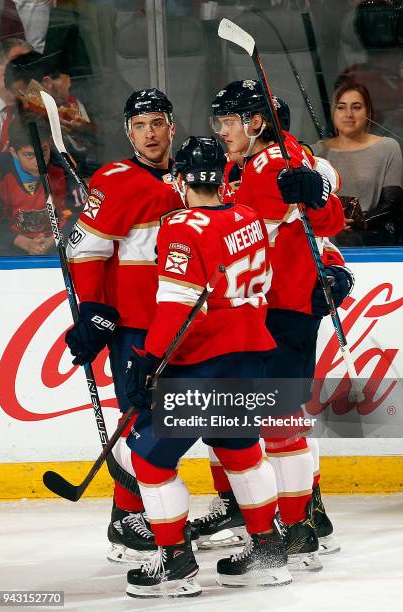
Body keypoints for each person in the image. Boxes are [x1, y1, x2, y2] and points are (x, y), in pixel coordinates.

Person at [123, 136, 292, 597]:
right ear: (223, 175)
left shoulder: (181, 225)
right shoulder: (250, 217)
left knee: (149, 459)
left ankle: (175, 564)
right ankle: (268, 553)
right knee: (239, 449)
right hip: (253, 354)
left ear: (180, 178)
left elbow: (177, 303)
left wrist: (149, 359)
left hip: (203, 363)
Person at [191, 80, 348, 570]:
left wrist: (319, 187)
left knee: (279, 423)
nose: (221, 132)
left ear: (256, 122)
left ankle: (296, 529)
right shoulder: (257, 163)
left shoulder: (273, 162)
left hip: (281, 311)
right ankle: (298, 520)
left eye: (228, 122)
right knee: (271, 419)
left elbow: (327, 220)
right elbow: (321, 212)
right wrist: (321, 183)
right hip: (270, 311)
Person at [64, 88, 182, 564]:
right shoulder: (115, 180)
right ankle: (126, 518)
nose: (149, 133)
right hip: (136, 326)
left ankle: (150, 512)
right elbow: (84, 248)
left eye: (157, 122)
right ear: (127, 131)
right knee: (140, 417)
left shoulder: (191, 175)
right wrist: (92, 308)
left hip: (183, 321)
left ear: (172, 125)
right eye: (139, 125)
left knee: (177, 419)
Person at [312, 81, 403, 246]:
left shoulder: (388, 147)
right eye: (341, 107)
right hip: (323, 245)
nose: (348, 114)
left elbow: (392, 204)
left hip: (372, 245)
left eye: (356, 107)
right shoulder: (314, 152)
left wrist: (359, 223)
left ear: (368, 112)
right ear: (333, 113)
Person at [0, 113, 70, 255]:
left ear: (50, 144)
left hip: (58, 242)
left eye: (44, 152)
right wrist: (22, 242)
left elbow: (78, 213)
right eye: (29, 155)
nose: (39, 162)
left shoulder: (64, 166)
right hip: (12, 245)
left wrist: (55, 238)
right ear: (14, 153)